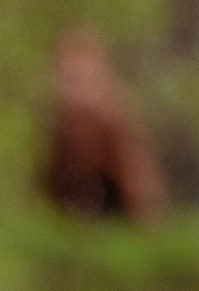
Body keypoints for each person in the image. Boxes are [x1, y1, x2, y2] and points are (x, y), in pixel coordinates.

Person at [39, 29, 165, 222]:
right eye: (69, 77)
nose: (75, 89)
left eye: (83, 77)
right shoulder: (59, 124)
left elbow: (139, 189)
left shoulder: (114, 120)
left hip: (117, 222)